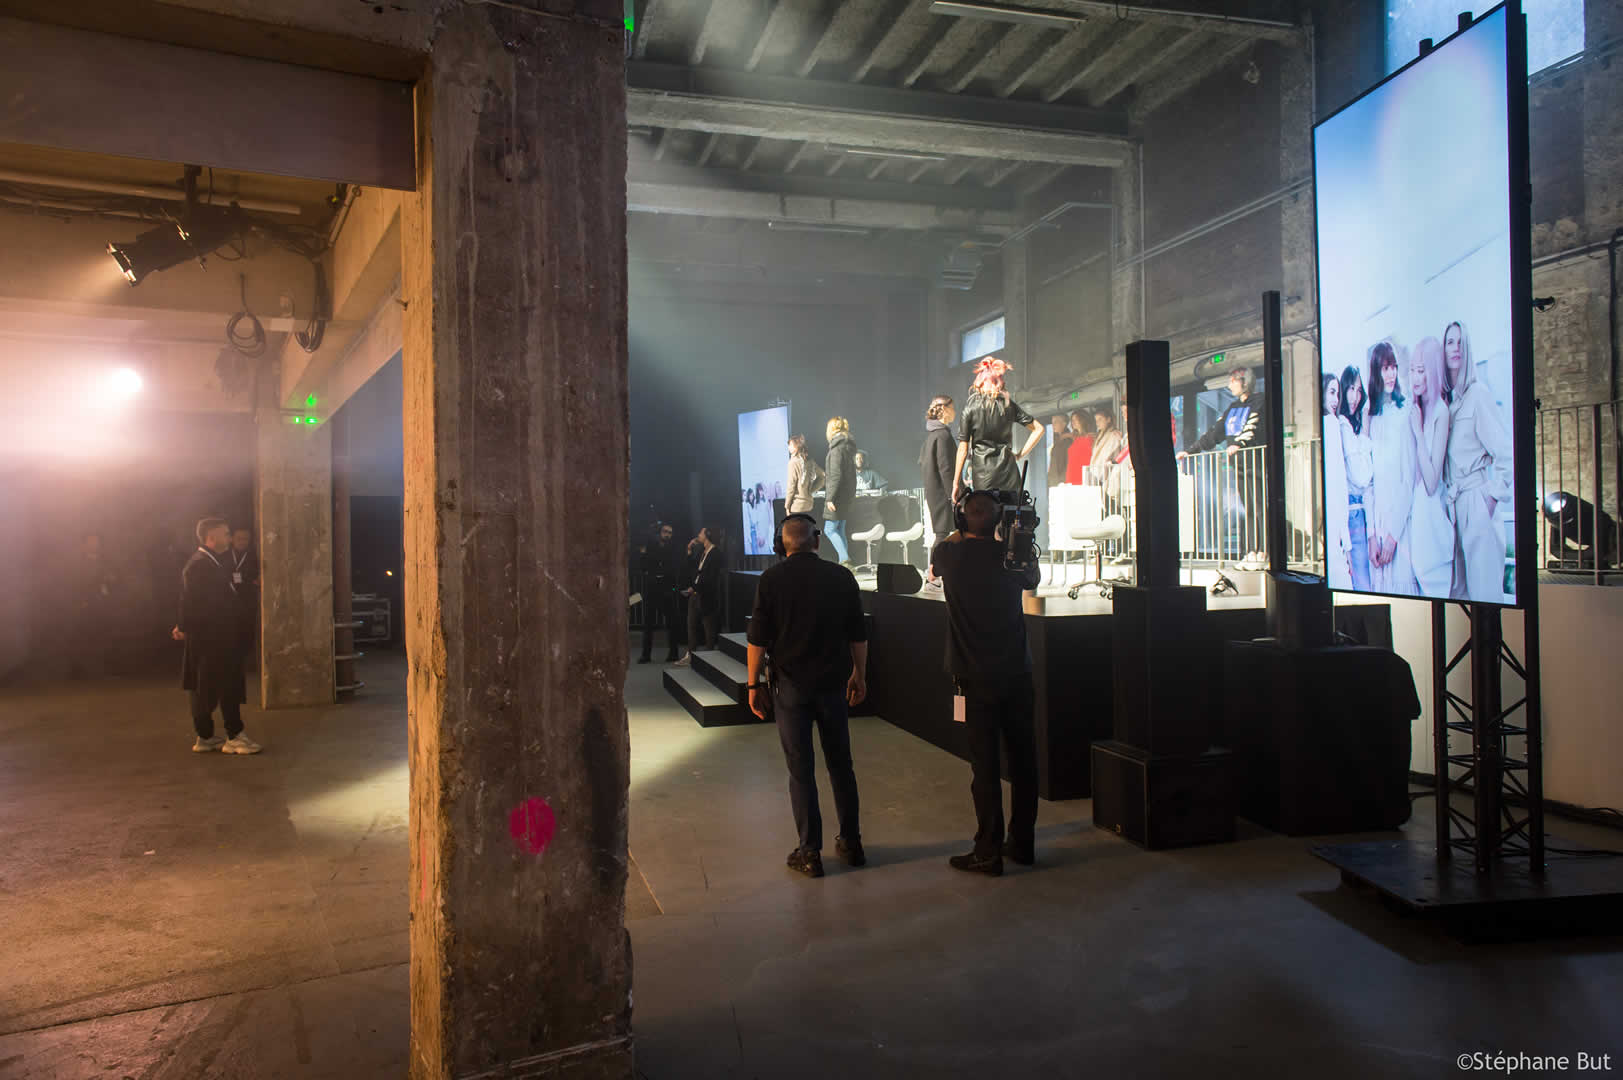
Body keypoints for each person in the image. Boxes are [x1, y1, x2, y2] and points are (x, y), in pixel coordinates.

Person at [746, 514, 868, 878]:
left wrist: (752, 685)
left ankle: (809, 851)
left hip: (790, 688)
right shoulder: (841, 577)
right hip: (832, 685)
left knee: (800, 771)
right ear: (817, 541)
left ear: (780, 545)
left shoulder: (771, 579)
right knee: (841, 766)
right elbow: (858, 634)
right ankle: (851, 843)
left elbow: (757, 639)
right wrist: (860, 674)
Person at [931, 490, 1041, 876]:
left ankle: (988, 850)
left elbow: (941, 553)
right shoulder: (1013, 557)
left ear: (962, 520)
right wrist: (1016, 535)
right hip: (1016, 672)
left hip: (975, 678)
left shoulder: (949, 555)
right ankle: (1022, 844)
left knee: (985, 767)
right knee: (1024, 762)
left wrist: (964, 524)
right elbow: (1032, 579)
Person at [173, 518, 261, 754]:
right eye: (226, 533)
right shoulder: (199, 565)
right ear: (211, 538)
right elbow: (190, 601)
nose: (229, 538)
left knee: (209, 687)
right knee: (224, 686)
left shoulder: (211, 562)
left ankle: (206, 736)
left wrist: (183, 625)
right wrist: (184, 625)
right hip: (213, 640)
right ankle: (234, 736)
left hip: (216, 637)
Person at [1442, 320, 1513, 601]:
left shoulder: (1479, 395)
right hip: (1454, 507)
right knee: (1461, 596)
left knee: (1485, 599)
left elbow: (1506, 454)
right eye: (1450, 342)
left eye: (1460, 342)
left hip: (1476, 501)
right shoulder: (1450, 404)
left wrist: (1490, 498)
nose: (1455, 348)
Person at [1179, 368, 1270, 563]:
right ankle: (1251, 550)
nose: (1229, 385)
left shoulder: (1260, 401)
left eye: (1233, 381)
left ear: (1244, 382)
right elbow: (1215, 432)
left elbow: (1252, 425)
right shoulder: (1233, 407)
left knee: (1260, 506)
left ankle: (1264, 550)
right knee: (1248, 507)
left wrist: (1239, 444)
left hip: (1255, 460)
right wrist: (1191, 450)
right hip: (1238, 463)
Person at [953, 357, 1043, 502]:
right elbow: (1039, 429)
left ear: (981, 381)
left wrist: (956, 483)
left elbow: (963, 450)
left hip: (983, 477)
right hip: (1009, 474)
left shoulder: (970, 408)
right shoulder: (1008, 405)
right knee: (1012, 513)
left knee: (987, 514)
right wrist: (1019, 455)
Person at [1366, 343, 1417, 595]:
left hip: (1402, 526)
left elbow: (1409, 480)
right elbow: (1368, 482)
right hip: (1378, 526)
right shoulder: (1370, 416)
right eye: (1385, 368)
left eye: (1393, 367)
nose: (1390, 374)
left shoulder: (1405, 411)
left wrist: (1392, 537)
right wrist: (1372, 536)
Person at [1408, 337, 1455, 597]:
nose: (1415, 377)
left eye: (1421, 370)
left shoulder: (1440, 411)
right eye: (1412, 370)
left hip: (1434, 528)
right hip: (1420, 525)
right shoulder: (1419, 410)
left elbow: (1431, 481)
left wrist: (1418, 433)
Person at [1338, 364, 1375, 591]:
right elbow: (1362, 477)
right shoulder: (1344, 425)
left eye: (1359, 390)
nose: (1355, 396)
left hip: (1357, 511)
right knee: (1362, 585)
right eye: (1351, 389)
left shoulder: (1350, 425)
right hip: (1353, 512)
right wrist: (1366, 433)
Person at [67, 532, 117, 679]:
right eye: (91, 542)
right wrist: (82, 601)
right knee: (85, 636)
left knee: (104, 636)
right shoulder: (79, 564)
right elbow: (76, 583)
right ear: (84, 545)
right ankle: (80, 671)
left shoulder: (105, 561)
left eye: (96, 541)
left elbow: (113, 579)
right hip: (87, 605)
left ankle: (104, 670)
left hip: (104, 604)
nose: (94, 545)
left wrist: (110, 579)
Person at [674, 525, 723, 666]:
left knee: (709, 628)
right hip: (695, 594)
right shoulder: (702, 551)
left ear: (707, 535)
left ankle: (710, 658)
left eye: (701, 533)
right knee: (691, 626)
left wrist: (694, 587)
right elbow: (694, 568)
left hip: (707, 595)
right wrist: (689, 551)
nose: (699, 535)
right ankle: (690, 655)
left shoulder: (716, 553)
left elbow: (709, 577)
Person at [1321, 375, 1353, 588]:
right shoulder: (1332, 424)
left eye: (1338, 394)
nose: (1336, 399)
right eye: (1332, 392)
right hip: (1334, 517)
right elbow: (1339, 482)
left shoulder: (1329, 423)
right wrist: (1347, 541)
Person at [638, 522, 682, 664]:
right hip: (652, 588)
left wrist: (672, 588)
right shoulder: (652, 545)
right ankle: (646, 655)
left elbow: (675, 567)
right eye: (665, 531)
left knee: (672, 623)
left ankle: (673, 653)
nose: (667, 534)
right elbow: (643, 565)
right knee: (648, 624)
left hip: (667, 589)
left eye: (670, 532)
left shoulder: (674, 548)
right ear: (660, 532)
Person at [920, 395, 959, 543]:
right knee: (942, 536)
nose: (955, 411)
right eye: (952, 408)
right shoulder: (942, 436)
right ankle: (936, 560)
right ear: (944, 409)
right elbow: (945, 468)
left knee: (942, 535)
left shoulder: (932, 436)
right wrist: (954, 495)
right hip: (943, 493)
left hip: (935, 492)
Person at [824, 417, 857, 564]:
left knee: (830, 530)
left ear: (831, 430)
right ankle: (844, 564)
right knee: (840, 529)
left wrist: (830, 497)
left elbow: (836, 475)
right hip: (846, 495)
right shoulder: (847, 448)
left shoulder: (836, 449)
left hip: (837, 496)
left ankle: (845, 560)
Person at [228, 525, 260, 668]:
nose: (242, 542)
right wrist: (247, 579)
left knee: (246, 630)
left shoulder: (254, 556)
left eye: (246, 539)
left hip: (247, 600)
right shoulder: (225, 555)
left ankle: (246, 660)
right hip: (228, 600)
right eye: (239, 539)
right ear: (232, 539)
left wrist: (247, 579)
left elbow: (256, 577)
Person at [785, 434, 822, 516]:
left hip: (796, 506)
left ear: (797, 446)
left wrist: (787, 506)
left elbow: (791, 486)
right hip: (809, 505)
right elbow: (822, 476)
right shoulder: (810, 461)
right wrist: (811, 490)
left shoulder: (793, 462)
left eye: (790, 445)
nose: (788, 447)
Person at [1087, 404, 1123, 485]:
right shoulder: (1099, 436)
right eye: (1096, 420)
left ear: (1108, 419)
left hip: (1106, 474)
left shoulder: (1114, 434)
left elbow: (1113, 455)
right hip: (1096, 473)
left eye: (1100, 419)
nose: (1097, 422)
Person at [1064, 412, 1093, 487]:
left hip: (1082, 476)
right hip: (1071, 475)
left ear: (1083, 420)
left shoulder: (1089, 438)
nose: (1073, 422)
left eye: (1076, 419)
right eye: (1072, 420)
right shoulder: (1076, 439)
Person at [1046, 414, 1074, 489]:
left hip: (1060, 483)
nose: (1053, 425)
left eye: (1056, 422)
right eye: (1052, 422)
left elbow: (1066, 463)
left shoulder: (1067, 441)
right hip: (1055, 481)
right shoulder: (1058, 440)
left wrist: (1061, 483)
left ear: (1064, 423)